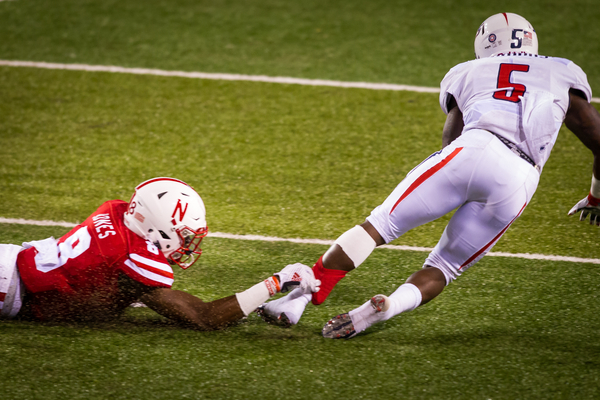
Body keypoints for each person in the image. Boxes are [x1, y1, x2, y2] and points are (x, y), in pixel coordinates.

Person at [257, 12, 600, 338]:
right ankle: (387, 307)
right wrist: (596, 195)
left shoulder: (468, 71)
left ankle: (298, 300)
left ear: (485, 44)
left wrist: (451, 182)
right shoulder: (562, 71)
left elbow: (451, 138)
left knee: (378, 226)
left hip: (475, 147)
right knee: (446, 266)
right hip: (521, 178)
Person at [0, 177, 320, 329]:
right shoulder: (134, 258)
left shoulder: (117, 213)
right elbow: (204, 318)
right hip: (9, 286)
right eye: (184, 236)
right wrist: (276, 282)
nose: (187, 244)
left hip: (13, 262)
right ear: (157, 229)